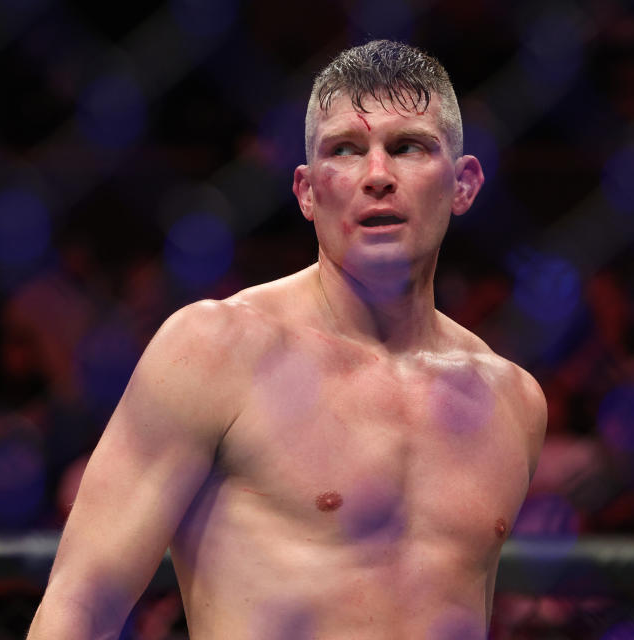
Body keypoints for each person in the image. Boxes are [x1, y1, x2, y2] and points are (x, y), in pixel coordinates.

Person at [28, 39, 547, 639]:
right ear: (306, 191)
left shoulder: (511, 401)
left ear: (463, 183)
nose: (377, 175)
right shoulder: (216, 348)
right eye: (346, 151)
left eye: (407, 147)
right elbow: (81, 602)